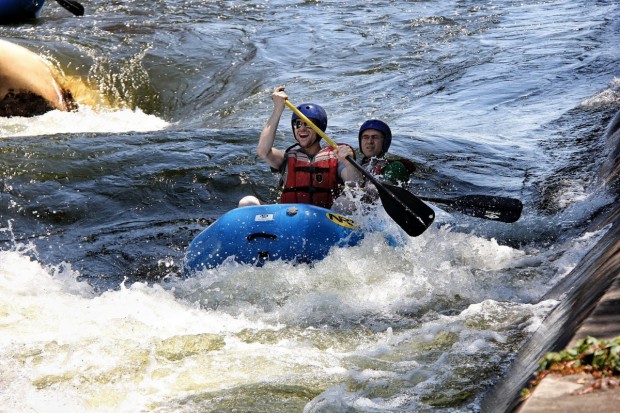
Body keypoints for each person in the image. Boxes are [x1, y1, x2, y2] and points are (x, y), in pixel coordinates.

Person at [238, 86, 362, 208]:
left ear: (319, 129)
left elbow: (355, 183)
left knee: (348, 200)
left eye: (308, 124)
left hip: (325, 219)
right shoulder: (286, 159)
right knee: (247, 202)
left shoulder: (335, 157)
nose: (302, 128)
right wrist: (277, 110)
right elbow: (263, 151)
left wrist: (349, 163)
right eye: (298, 124)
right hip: (289, 217)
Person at [358, 119, 417, 185]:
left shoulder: (396, 167)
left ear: (385, 142)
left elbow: (376, 192)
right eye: (365, 137)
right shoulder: (357, 164)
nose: (369, 141)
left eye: (375, 137)